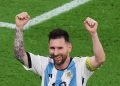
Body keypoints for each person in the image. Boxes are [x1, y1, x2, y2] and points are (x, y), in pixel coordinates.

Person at [14, 12, 105, 86]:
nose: (56, 52)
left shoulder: (81, 65)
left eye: (60, 48)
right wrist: (19, 27)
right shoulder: (44, 64)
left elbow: (100, 59)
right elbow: (19, 54)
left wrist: (93, 34)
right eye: (52, 48)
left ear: (69, 47)